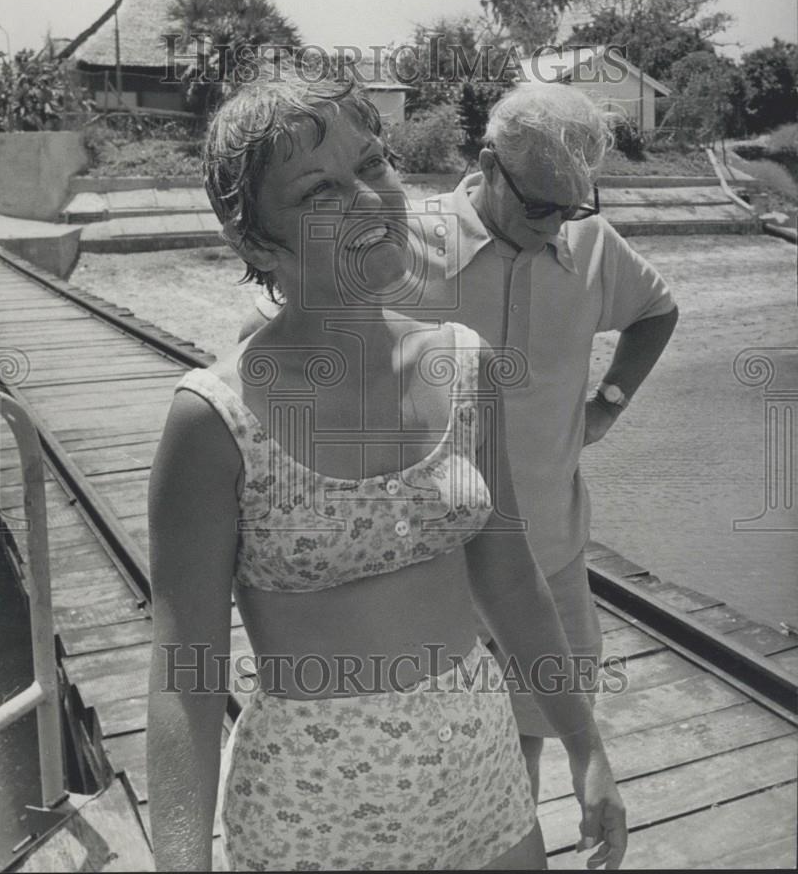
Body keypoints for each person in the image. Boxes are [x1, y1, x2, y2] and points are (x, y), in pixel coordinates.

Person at [146, 67, 627, 872]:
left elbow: (509, 580)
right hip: (315, 816)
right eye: (318, 192)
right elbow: (185, 674)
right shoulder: (215, 422)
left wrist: (585, 747)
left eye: (372, 165)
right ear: (257, 239)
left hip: (484, 785)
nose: (369, 200)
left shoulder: (461, 368)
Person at [407, 82, 679, 805]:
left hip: (549, 554)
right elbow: (280, 333)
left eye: (573, 205)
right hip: (429, 567)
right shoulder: (406, 242)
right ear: (490, 165)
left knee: (521, 746)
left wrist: (607, 405)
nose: (557, 224)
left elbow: (657, 309)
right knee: (425, 766)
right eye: (540, 207)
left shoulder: (587, 239)